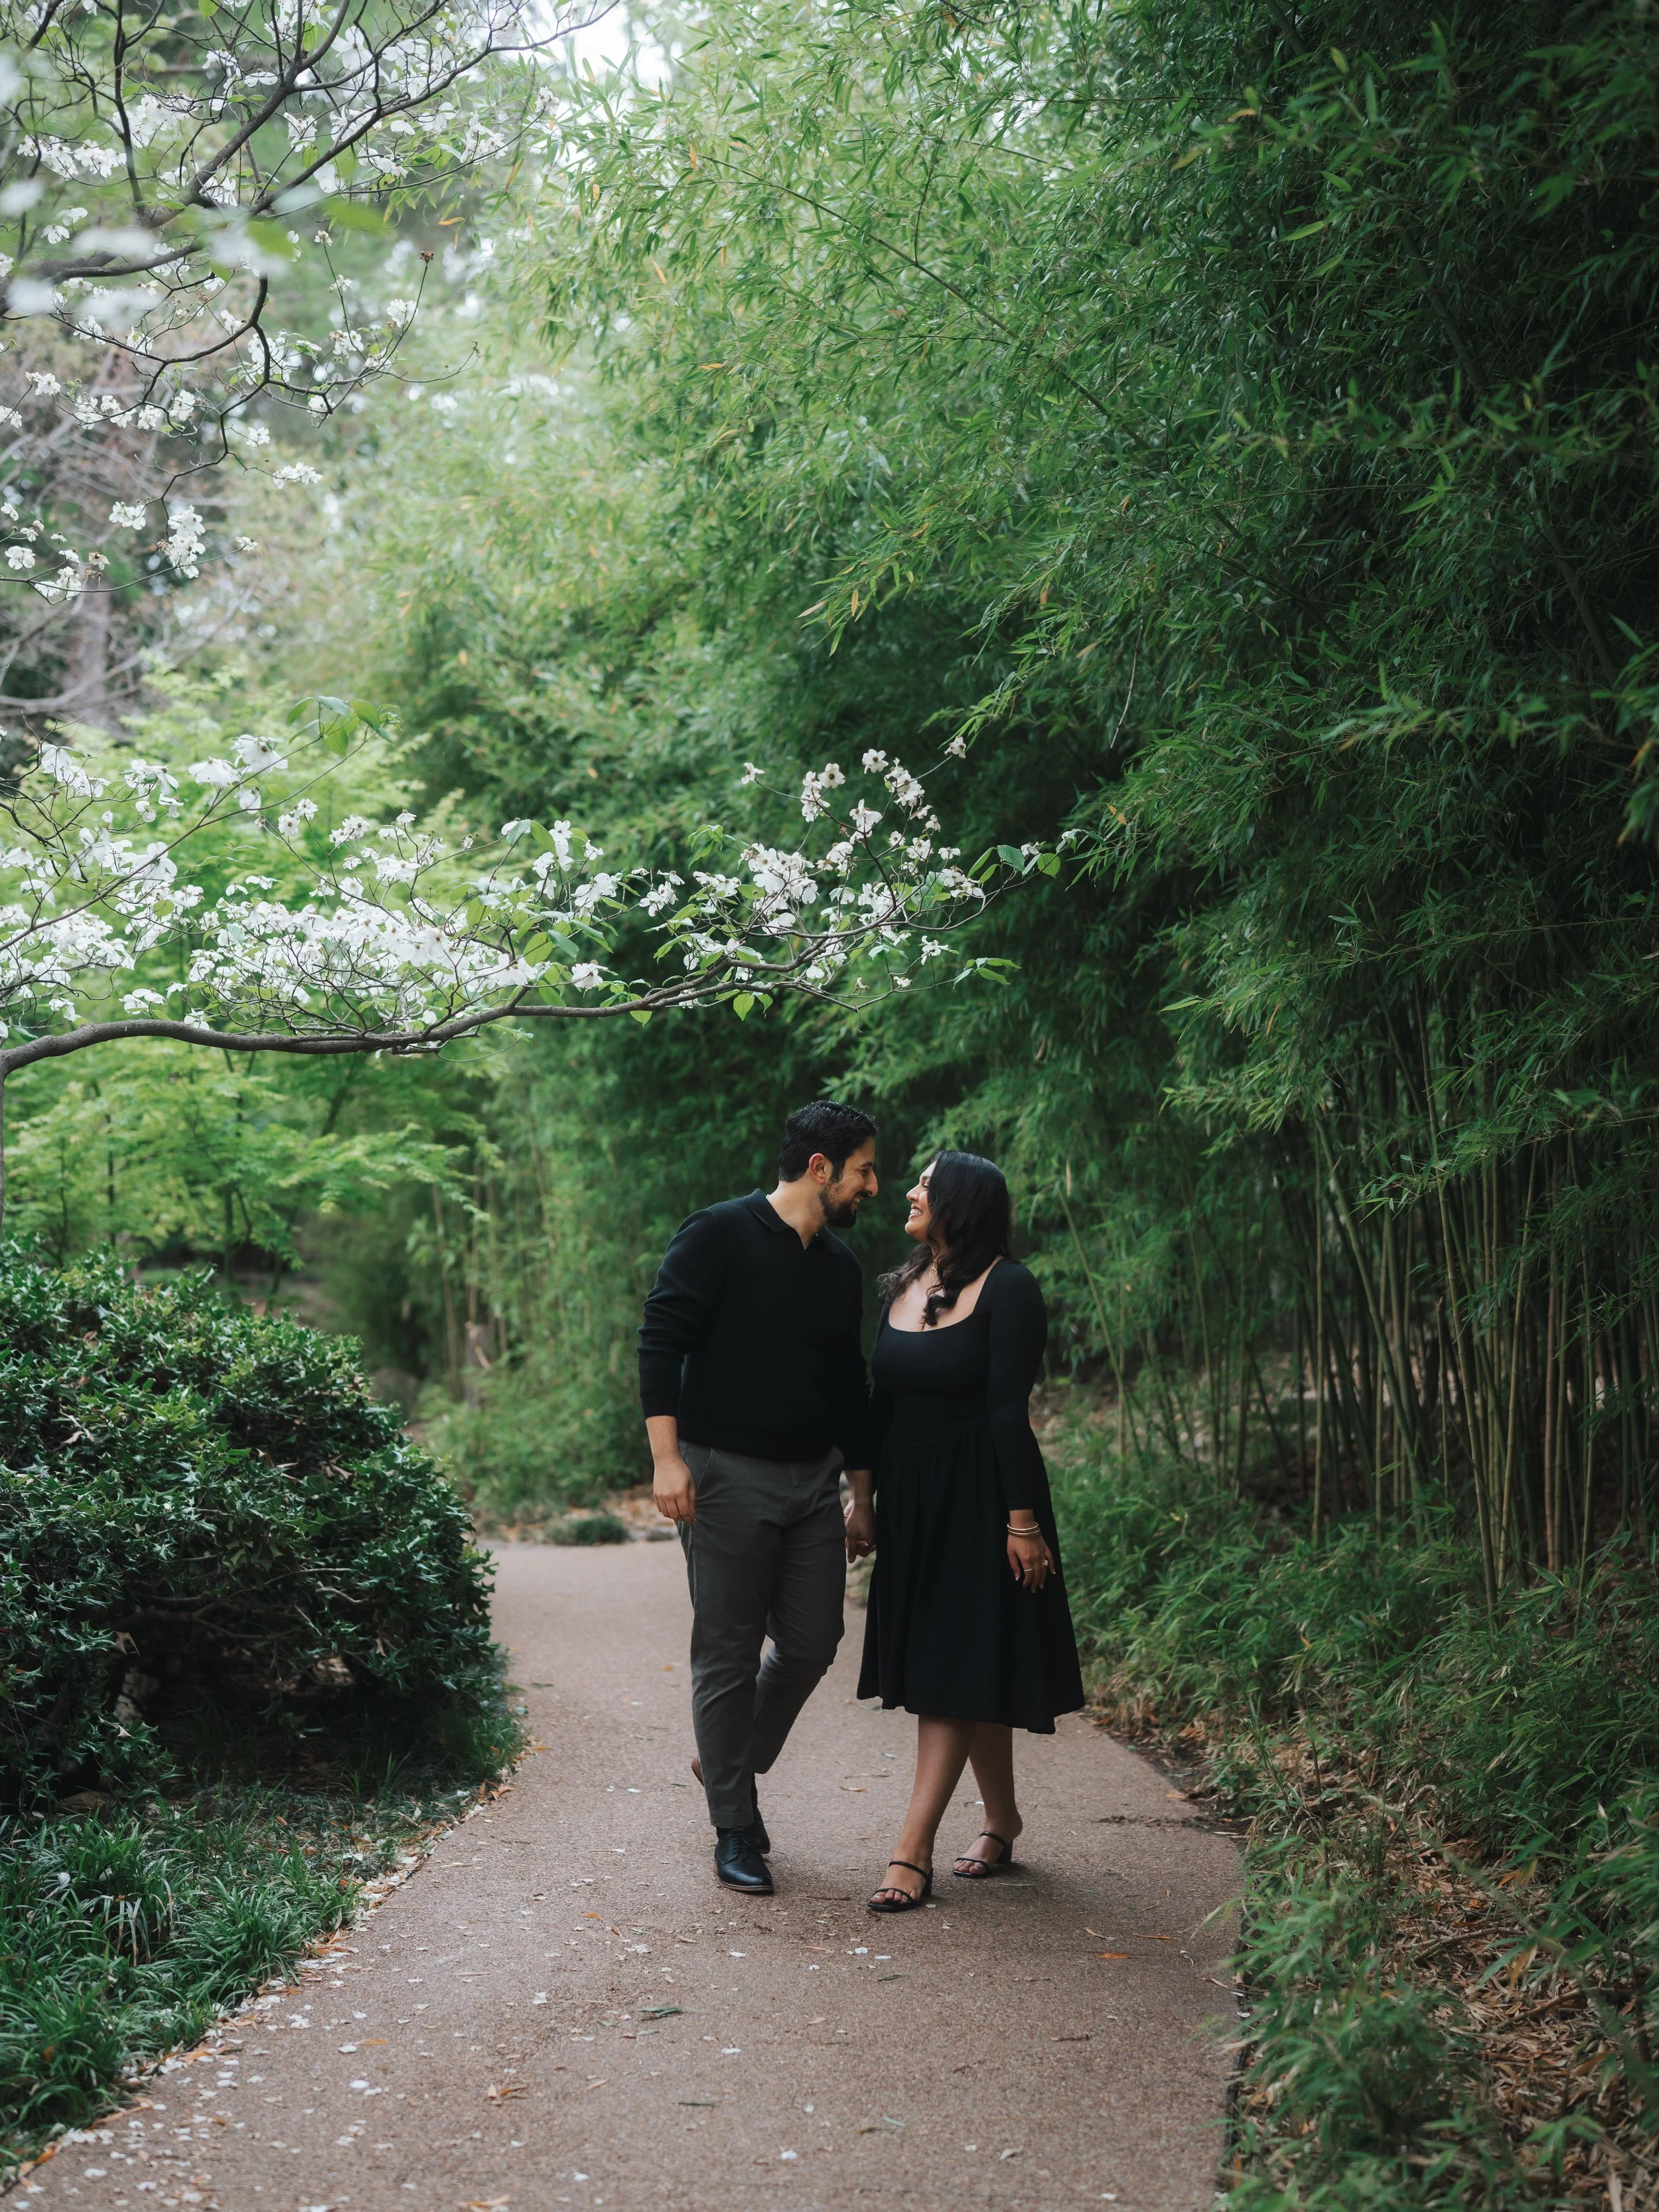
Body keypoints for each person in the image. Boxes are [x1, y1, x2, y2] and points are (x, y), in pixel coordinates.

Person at [640, 1100, 879, 1897]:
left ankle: (727, 1758)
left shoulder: (840, 1267)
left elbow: (851, 1386)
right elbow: (660, 1341)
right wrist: (666, 1460)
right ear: (820, 1168)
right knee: (729, 1651)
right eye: (863, 1171)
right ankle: (734, 1824)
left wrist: (861, 1494)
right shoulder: (716, 1234)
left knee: (813, 1642)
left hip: (813, 1480)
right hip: (723, 1476)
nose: (871, 1186)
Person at [857, 1149, 1084, 1911]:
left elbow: (1004, 1411)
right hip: (914, 1501)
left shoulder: (1010, 1288)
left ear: (965, 1202)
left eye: (927, 1182)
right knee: (967, 1659)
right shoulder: (903, 1283)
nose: (912, 1191)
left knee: (951, 1669)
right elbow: (878, 1405)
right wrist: (865, 1501)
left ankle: (908, 1849)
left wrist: (1020, 1523)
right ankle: (1003, 1820)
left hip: (984, 1499)